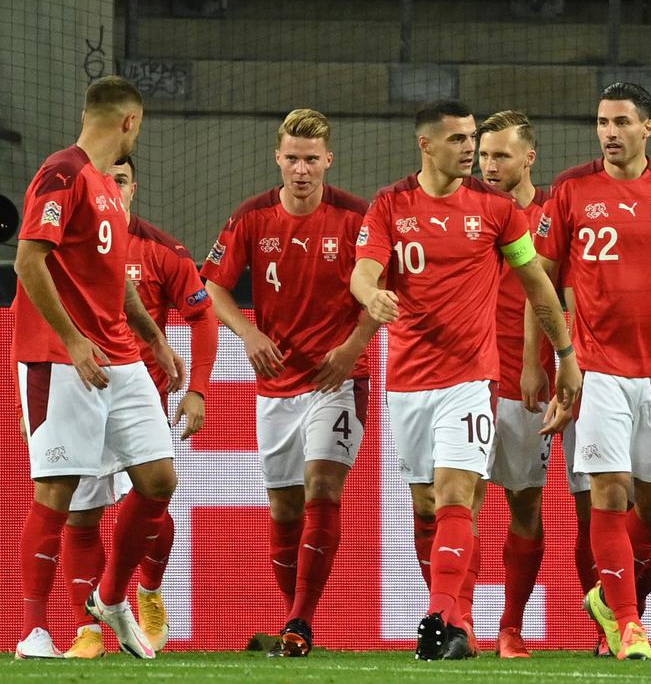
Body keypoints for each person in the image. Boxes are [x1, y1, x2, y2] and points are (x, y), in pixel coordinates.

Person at [350, 99, 579, 661]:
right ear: (426, 145)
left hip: (471, 379)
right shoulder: (389, 204)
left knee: (459, 495)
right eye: (458, 139)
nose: (469, 148)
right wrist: (370, 294)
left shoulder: (498, 210)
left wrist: (564, 353)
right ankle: (455, 619)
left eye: (472, 137)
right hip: (407, 380)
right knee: (426, 506)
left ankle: (444, 620)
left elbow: (537, 283)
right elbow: (363, 269)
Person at [532, 82, 651, 660]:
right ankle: (630, 623)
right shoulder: (570, 189)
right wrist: (564, 356)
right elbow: (539, 274)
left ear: (647, 128)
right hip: (598, 371)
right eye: (602, 122)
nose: (609, 132)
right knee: (608, 495)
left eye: (620, 122)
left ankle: (604, 599)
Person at [13, 75, 182, 660]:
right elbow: (28, 262)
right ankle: (32, 632)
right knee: (57, 490)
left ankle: (110, 597)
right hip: (62, 359)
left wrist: (155, 339)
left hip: (120, 357)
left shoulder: (108, 188)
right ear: (129, 122)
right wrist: (72, 338)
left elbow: (114, 281)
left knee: (159, 479)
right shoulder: (62, 172)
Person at [202, 108, 378, 657]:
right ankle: (292, 624)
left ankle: (300, 621)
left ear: (329, 159)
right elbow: (212, 285)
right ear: (278, 158)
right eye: (292, 158)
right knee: (284, 511)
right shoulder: (252, 217)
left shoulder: (356, 216)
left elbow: (381, 289)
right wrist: (248, 334)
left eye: (311, 159)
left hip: (338, 382)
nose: (301, 169)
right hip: (277, 385)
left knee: (324, 488)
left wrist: (351, 350)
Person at [57, 155, 218, 659]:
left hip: (138, 402)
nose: (114, 189)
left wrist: (198, 388)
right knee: (79, 518)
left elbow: (204, 317)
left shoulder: (162, 250)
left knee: (156, 504)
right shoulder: (65, 244)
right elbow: (33, 309)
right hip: (76, 394)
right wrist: (30, 396)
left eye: (121, 181)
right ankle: (88, 630)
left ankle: (146, 590)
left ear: (133, 188)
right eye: (106, 181)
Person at [476, 110, 593, 659]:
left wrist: (548, 362)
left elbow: (566, 295)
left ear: (529, 157)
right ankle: (465, 622)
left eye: (502, 154)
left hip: (549, 382)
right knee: (463, 503)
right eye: (484, 154)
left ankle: (523, 625)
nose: (490, 165)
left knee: (566, 505)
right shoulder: (468, 212)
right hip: (479, 379)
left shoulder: (554, 213)